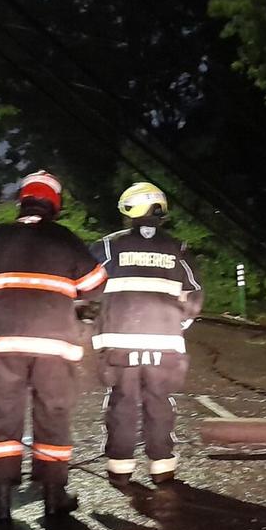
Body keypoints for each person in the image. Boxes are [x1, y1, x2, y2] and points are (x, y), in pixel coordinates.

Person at [0, 171, 107, 521]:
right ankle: (54, 496)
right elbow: (97, 284)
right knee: (53, 415)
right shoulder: (64, 238)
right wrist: (76, 309)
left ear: (22, 201)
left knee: (3, 418)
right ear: (54, 204)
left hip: (1, 344)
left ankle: (2, 499)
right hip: (55, 345)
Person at [91, 182, 203, 486]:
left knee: (122, 402)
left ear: (129, 210)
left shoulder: (108, 247)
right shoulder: (178, 249)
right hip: (165, 345)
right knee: (159, 402)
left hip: (118, 345)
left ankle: (120, 468)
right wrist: (177, 326)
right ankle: (163, 466)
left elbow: (85, 286)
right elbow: (194, 293)